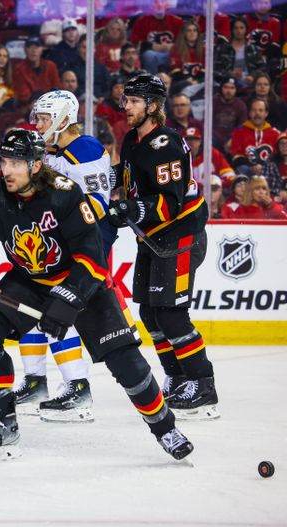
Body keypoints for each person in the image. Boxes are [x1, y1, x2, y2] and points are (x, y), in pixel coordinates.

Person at [0, 128, 193, 461]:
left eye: (17, 163)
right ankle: (1, 423)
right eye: (4, 161)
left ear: (36, 165)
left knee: (127, 363)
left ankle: (166, 428)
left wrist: (67, 298)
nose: (7, 170)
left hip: (83, 282)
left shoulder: (66, 194)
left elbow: (92, 258)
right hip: (30, 281)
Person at [12, 90, 132, 422]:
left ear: (64, 119)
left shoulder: (86, 149)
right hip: (57, 241)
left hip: (85, 245)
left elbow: (95, 206)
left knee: (57, 310)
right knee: (29, 305)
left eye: (44, 118)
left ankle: (78, 388)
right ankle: (35, 381)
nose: (37, 124)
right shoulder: (52, 150)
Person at [108, 74, 218, 421]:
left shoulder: (166, 144)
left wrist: (130, 210)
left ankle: (203, 385)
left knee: (170, 313)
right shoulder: (131, 140)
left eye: (134, 101)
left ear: (153, 107)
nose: (126, 106)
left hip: (180, 237)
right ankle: (178, 376)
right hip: (152, 238)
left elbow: (170, 203)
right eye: (126, 100)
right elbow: (123, 178)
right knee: (150, 313)